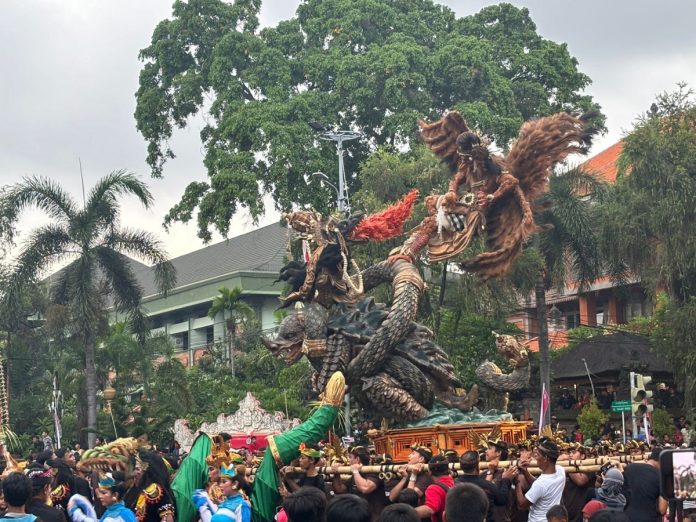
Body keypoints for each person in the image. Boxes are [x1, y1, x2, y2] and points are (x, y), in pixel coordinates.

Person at [509, 438, 565, 522]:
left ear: (545, 458)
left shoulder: (541, 484)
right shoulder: (561, 471)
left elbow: (521, 504)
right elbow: (541, 488)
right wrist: (525, 471)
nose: (535, 459)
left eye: (537, 455)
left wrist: (516, 481)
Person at [331, 447, 386, 522]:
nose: (349, 461)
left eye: (350, 457)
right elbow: (339, 489)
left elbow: (365, 488)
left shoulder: (374, 472)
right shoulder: (355, 475)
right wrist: (336, 473)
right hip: (359, 517)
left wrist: (356, 472)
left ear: (357, 459)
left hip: (375, 519)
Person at [456, 451, 513, 522]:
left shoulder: (454, 484)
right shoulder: (488, 485)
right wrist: (505, 480)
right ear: (477, 465)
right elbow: (501, 500)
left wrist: (490, 472)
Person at [125, 452, 176, 522]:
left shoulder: (155, 490)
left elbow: (168, 519)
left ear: (146, 471)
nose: (134, 474)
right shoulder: (138, 489)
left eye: (137, 469)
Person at [68, 472, 136, 522]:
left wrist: (74, 511)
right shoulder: (125, 512)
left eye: (104, 493)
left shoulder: (114, 517)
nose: (100, 496)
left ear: (115, 495)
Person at [622, 447, 668, 522]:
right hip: (650, 518)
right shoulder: (662, 477)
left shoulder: (629, 468)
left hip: (628, 517)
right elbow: (662, 509)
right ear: (662, 461)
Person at [414, 456, 454, 522]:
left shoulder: (433, 488)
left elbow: (430, 509)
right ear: (448, 470)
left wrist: (407, 513)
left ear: (430, 472)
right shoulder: (456, 482)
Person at [561, 446, 594, 522]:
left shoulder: (589, 467)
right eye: (569, 452)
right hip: (564, 512)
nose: (570, 455)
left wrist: (568, 465)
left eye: (574, 452)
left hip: (580, 513)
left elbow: (580, 481)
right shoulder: (563, 466)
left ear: (582, 456)